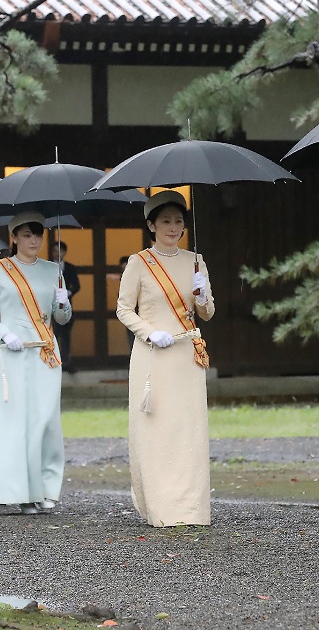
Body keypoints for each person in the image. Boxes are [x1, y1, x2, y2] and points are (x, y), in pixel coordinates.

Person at [116, 190, 215, 527]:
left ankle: (191, 509)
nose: (174, 227)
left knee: (188, 430)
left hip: (187, 356)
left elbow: (207, 313)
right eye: (166, 221)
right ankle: (161, 507)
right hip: (154, 356)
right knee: (158, 429)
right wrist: (147, 332)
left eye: (178, 221)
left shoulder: (195, 260)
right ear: (151, 225)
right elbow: (124, 309)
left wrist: (201, 295)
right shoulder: (139, 263)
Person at [0, 211, 72, 515]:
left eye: (38, 235)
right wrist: (4, 334)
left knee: (46, 420)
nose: (34, 241)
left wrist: (64, 303)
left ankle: (46, 488)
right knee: (16, 421)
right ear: (13, 237)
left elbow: (61, 318)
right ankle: (21, 491)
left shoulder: (53, 269)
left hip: (45, 351)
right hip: (13, 354)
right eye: (27, 235)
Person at [48, 241, 80, 373]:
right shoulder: (47, 266)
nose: (58, 253)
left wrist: (68, 293)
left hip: (66, 305)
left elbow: (77, 285)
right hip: (50, 306)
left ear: (65, 252)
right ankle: (52, 360)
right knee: (53, 334)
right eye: (55, 250)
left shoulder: (70, 267)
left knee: (66, 336)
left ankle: (66, 361)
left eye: (60, 251)